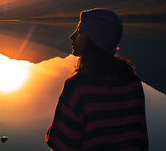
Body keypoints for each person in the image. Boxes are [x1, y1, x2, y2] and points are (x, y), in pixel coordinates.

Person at [46, 8, 148, 151]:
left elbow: (62, 145)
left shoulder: (77, 87)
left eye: (80, 31)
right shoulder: (133, 83)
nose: (72, 36)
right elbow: (141, 140)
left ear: (95, 40)